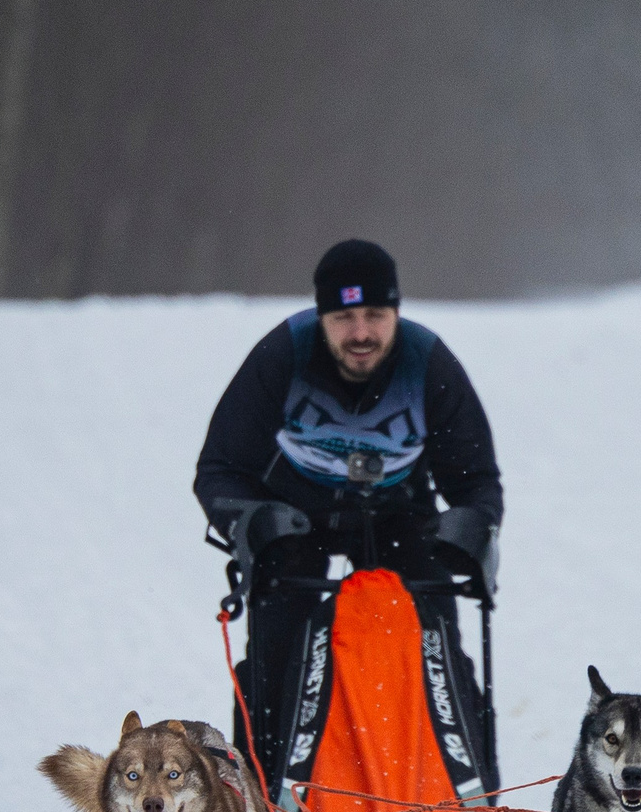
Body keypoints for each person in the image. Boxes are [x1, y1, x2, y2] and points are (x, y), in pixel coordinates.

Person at [194, 238, 503, 779]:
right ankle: (266, 804)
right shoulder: (282, 355)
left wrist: (470, 534)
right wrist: (251, 524)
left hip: (399, 510)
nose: (361, 333)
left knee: (435, 648)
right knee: (279, 649)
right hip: (296, 510)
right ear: (321, 318)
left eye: (375, 316)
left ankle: (460, 806)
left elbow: (476, 480)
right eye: (343, 317)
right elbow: (219, 469)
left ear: (396, 313)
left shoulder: (428, 362)